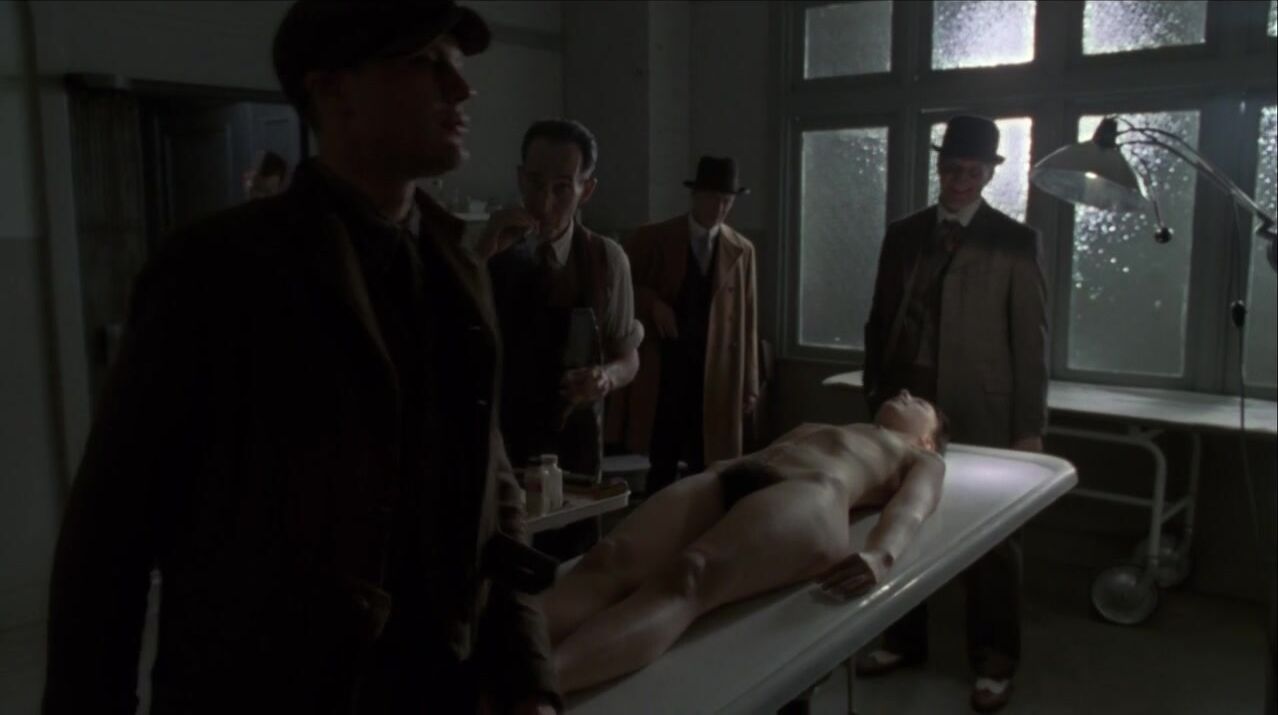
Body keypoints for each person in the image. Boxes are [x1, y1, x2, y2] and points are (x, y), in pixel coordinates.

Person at [43, 2, 557, 714]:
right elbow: (111, 534)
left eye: (458, 66)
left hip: (435, 684)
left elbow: (492, 491)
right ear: (334, 90)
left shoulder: (458, 270)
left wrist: (528, 678)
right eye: (425, 63)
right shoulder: (220, 269)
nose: (462, 89)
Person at [541, 390, 948, 693]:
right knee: (610, 557)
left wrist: (881, 555)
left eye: (919, 402)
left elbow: (912, 508)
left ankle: (538, 684)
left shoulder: (922, 457)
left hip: (812, 491)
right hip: (730, 475)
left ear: (928, 439)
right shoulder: (836, 427)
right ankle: (511, 647)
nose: (905, 393)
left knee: (691, 575)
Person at [860, 114, 1049, 713]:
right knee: (898, 516)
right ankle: (902, 638)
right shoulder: (904, 234)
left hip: (983, 407)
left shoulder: (1014, 241)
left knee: (993, 536)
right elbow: (878, 321)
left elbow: (1031, 345)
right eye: (951, 169)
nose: (960, 181)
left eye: (972, 171)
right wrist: (875, 395)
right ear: (939, 168)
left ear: (990, 174)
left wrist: (1029, 429)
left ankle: (995, 659)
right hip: (908, 404)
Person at [479, 120, 643, 485]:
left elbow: (628, 357)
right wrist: (482, 257)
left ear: (586, 190)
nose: (545, 202)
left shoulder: (608, 260)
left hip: (574, 450)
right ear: (520, 178)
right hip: (497, 446)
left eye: (562, 188)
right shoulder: (486, 250)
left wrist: (606, 377)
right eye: (535, 183)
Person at [607, 156, 759, 495]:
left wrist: (750, 382)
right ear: (695, 197)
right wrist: (654, 304)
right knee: (662, 452)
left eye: (727, 200)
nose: (720, 208)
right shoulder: (653, 237)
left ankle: (694, 517)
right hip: (665, 365)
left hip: (715, 370)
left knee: (706, 458)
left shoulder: (741, 250)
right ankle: (655, 517)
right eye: (713, 198)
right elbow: (621, 287)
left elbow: (748, 320)